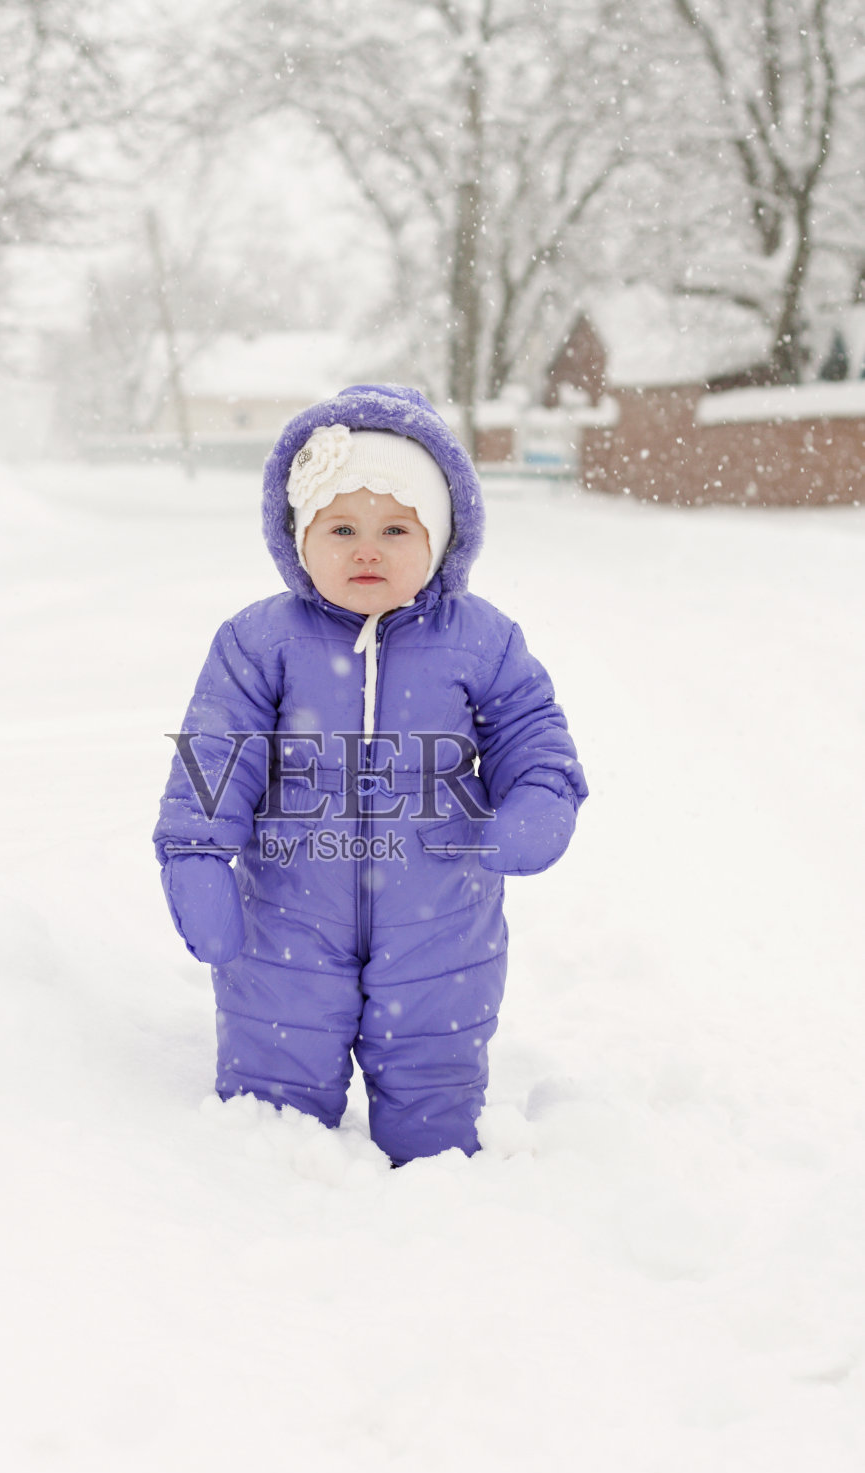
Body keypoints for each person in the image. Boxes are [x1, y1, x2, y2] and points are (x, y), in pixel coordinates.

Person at [154, 385, 587, 1166]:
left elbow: (530, 730)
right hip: (286, 915)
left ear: (440, 540)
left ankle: (436, 1183)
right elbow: (216, 753)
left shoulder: (481, 640)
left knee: (434, 1083)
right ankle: (263, 1193)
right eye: (341, 529)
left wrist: (538, 799)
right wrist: (195, 854)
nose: (366, 550)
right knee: (272, 1100)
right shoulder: (259, 641)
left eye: (395, 529)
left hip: (443, 916)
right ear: (298, 539)